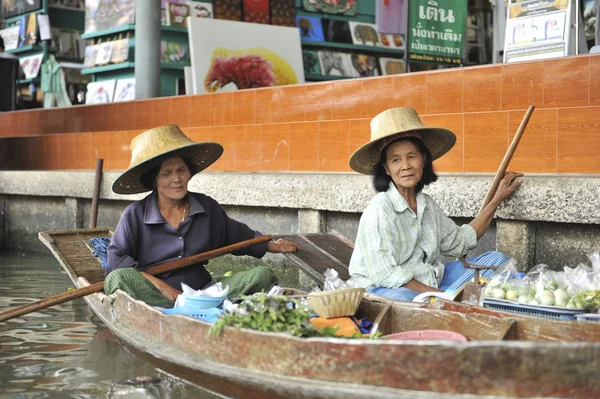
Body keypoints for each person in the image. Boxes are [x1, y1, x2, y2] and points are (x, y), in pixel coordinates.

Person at [105, 125, 299, 307]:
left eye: (182, 170)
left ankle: (196, 307)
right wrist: (162, 287)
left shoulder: (206, 207)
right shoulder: (135, 215)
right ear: (154, 180)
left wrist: (272, 245)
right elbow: (116, 263)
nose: (177, 179)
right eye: (167, 173)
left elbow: (237, 236)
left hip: (204, 292)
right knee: (118, 279)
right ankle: (181, 308)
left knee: (263, 276)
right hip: (158, 296)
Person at [347, 107, 523, 302]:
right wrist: (442, 295)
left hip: (431, 283)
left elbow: (460, 242)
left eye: (412, 156)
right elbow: (385, 274)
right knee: (409, 302)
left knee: (498, 262)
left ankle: (450, 300)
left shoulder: (427, 205)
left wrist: (497, 199)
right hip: (386, 289)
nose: (406, 166)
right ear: (387, 169)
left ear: (423, 160)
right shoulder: (380, 209)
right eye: (396, 160)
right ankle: (450, 301)